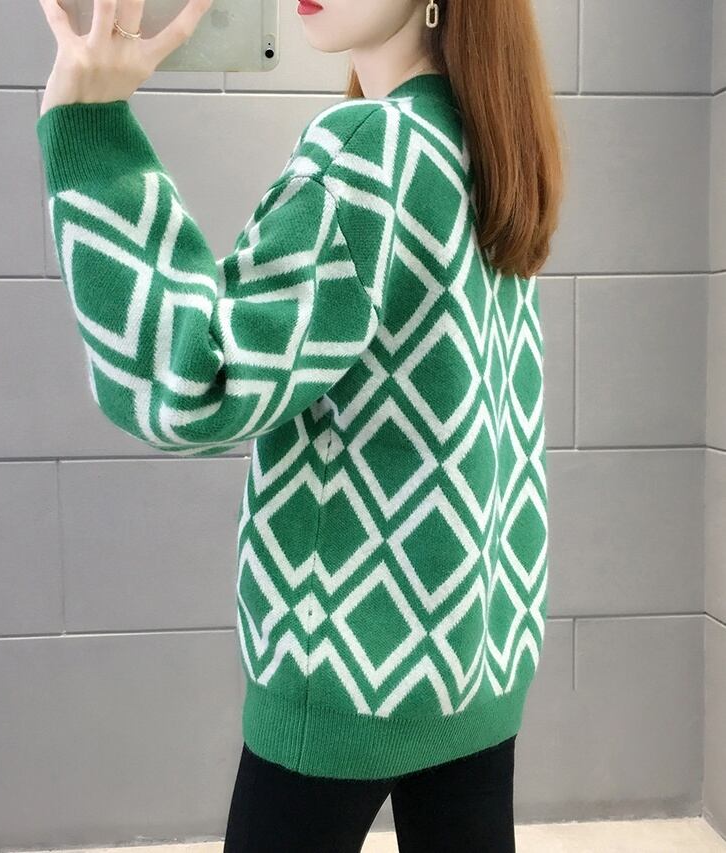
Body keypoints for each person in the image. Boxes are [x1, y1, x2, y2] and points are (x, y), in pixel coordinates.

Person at [35, 0, 564, 850]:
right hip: (477, 652)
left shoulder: (373, 152)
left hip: (350, 664)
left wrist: (87, 131)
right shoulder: (485, 147)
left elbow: (196, 383)